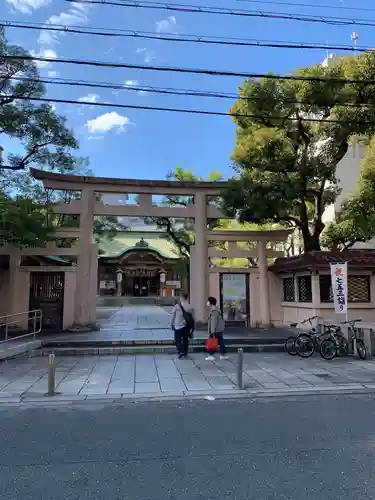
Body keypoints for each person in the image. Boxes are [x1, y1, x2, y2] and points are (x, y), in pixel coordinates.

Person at [170, 293, 195, 359]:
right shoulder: (190, 306)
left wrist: (171, 324)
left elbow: (173, 316)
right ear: (187, 298)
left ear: (181, 298)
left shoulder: (176, 306)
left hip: (178, 326)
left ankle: (181, 351)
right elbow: (193, 318)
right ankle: (185, 351)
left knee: (177, 340)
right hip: (186, 326)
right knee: (185, 340)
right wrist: (193, 328)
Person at [205, 296, 228, 361]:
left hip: (215, 330)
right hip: (218, 329)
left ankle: (211, 355)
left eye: (208, 301)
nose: (207, 302)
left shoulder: (214, 311)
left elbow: (214, 322)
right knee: (220, 341)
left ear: (210, 302)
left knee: (211, 342)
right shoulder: (216, 310)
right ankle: (223, 354)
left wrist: (212, 332)